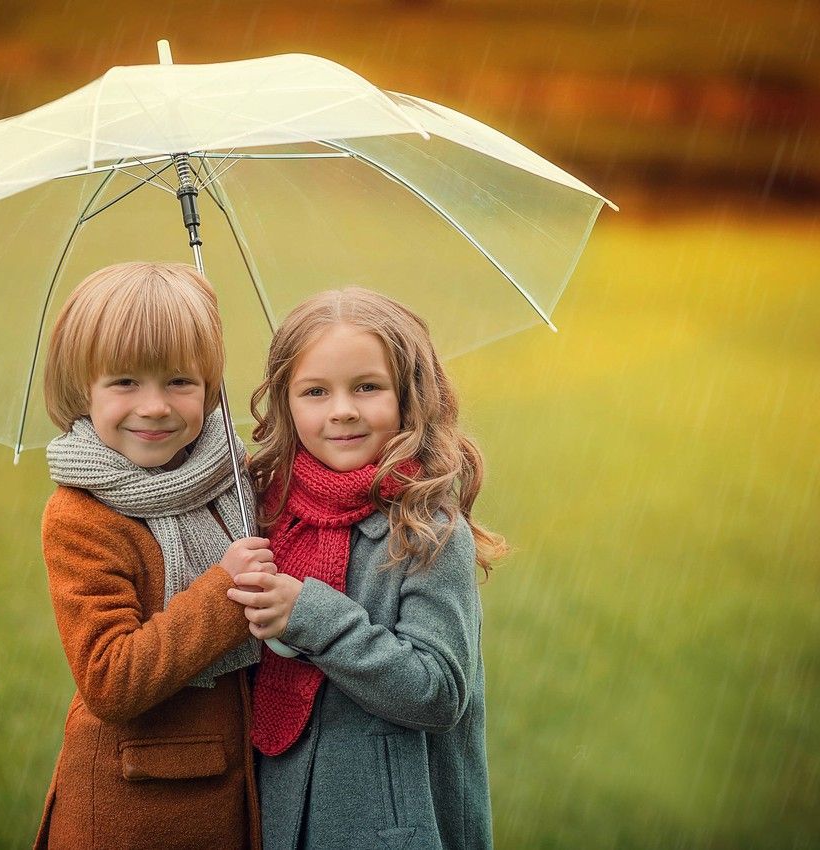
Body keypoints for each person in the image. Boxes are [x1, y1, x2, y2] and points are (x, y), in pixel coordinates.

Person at [226, 287, 507, 850]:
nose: (342, 410)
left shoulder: (428, 532)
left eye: (367, 387)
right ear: (285, 402)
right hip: (279, 819)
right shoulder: (264, 511)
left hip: (393, 828)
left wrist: (309, 615)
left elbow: (437, 691)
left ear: (410, 396)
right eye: (315, 391)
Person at [33, 261, 270, 850]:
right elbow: (109, 679)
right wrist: (224, 592)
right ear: (81, 389)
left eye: (179, 381)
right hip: (135, 812)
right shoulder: (81, 515)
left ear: (212, 387)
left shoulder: (230, 478)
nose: (156, 406)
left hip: (232, 798)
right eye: (125, 382)